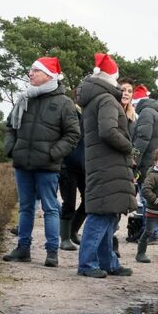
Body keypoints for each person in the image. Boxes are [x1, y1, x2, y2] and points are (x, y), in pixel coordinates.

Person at [2, 57, 80, 267]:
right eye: (31, 70)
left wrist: (53, 153)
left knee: (50, 208)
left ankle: (52, 252)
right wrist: (12, 148)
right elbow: (10, 126)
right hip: (22, 164)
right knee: (25, 207)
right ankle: (23, 248)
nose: (31, 73)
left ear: (48, 75)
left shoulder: (64, 103)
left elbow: (73, 134)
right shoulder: (24, 98)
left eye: (35, 70)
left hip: (47, 166)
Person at [75, 53, 137, 278]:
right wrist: (129, 146)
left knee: (109, 215)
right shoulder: (107, 99)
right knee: (101, 215)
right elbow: (109, 131)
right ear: (113, 78)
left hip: (103, 163)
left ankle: (108, 262)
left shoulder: (96, 98)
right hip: (108, 163)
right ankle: (88, 264)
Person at [131, 84, 158, 242]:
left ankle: (151, 233)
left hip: (147, 162)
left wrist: (134, 159)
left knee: (147, 198)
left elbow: (143, 139)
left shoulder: (145, 113)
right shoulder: (155, 112)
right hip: (153, 160)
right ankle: (151, 231)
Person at [58, 99, 86, 251]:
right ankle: (65, 238)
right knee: (68, 202)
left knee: (88, 200)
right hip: (68, 164)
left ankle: (74, 230)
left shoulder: (92, 113)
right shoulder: (70, 111)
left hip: (86, 165)